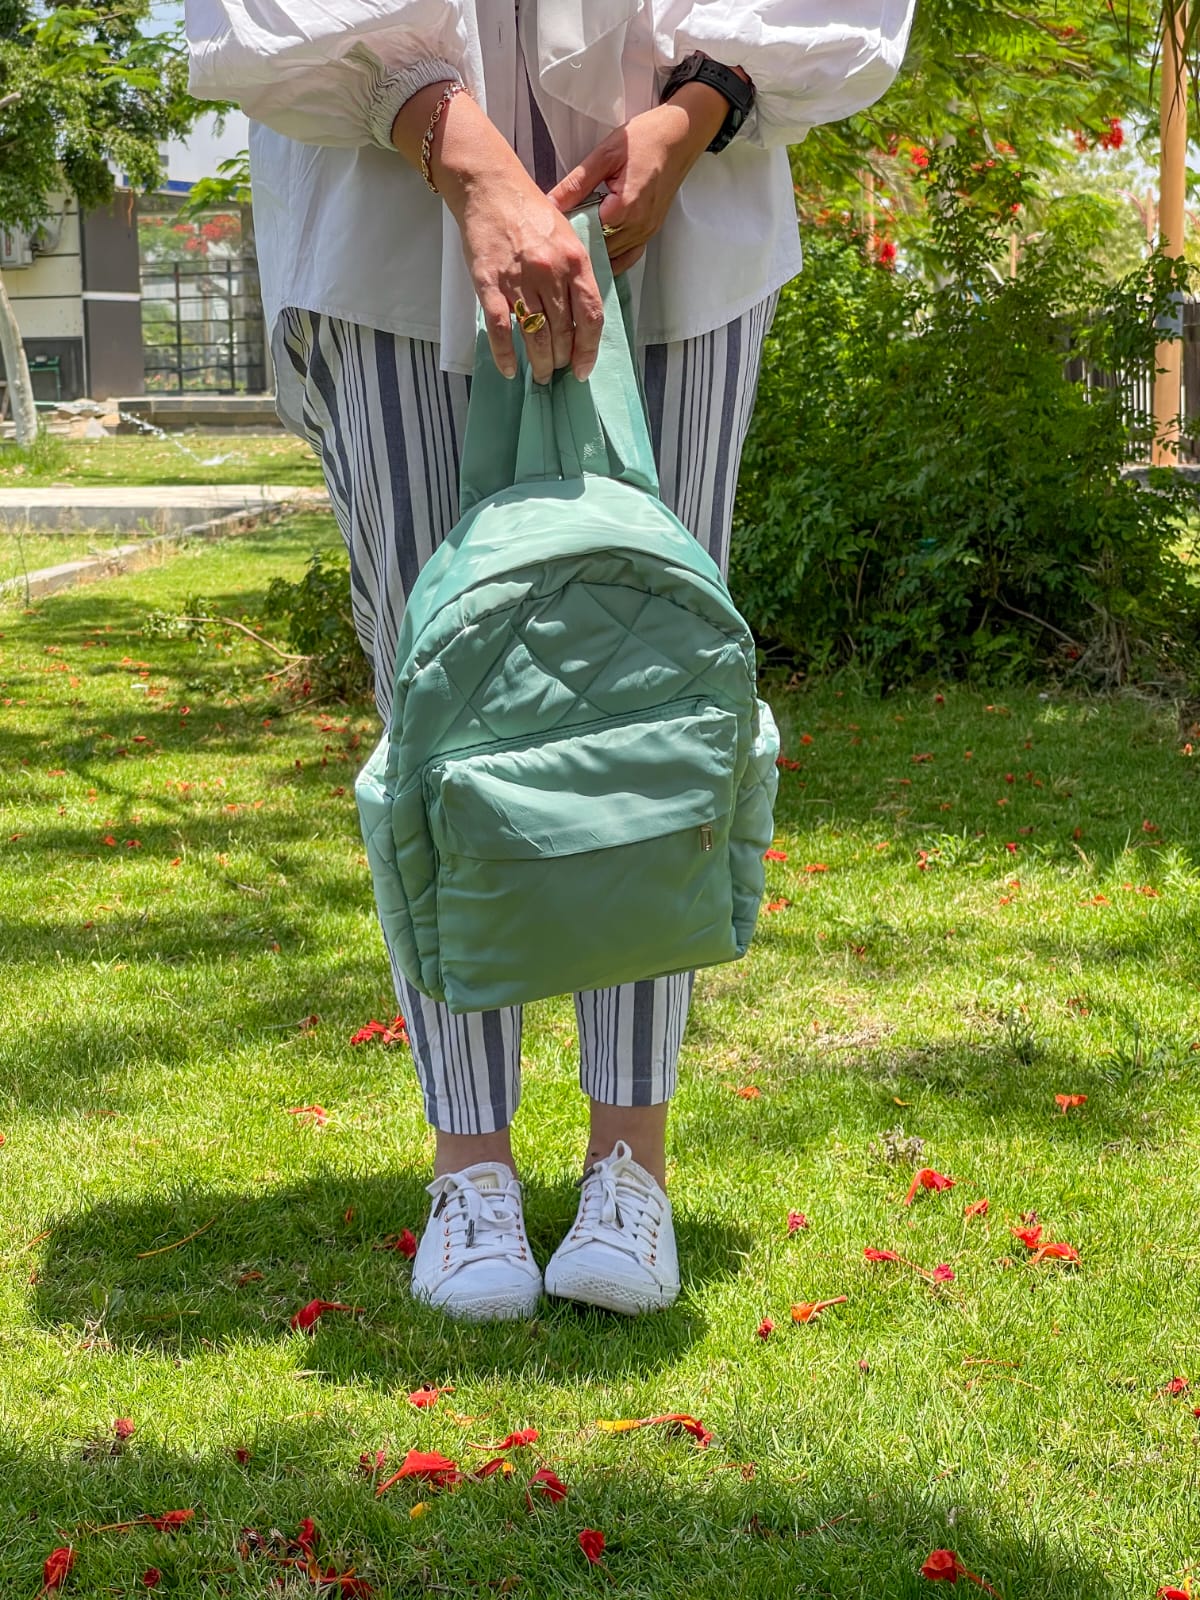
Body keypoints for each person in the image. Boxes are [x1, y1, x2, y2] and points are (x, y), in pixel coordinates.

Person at [185, 0, 915, 1323]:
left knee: (653, 683)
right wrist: (456, 146)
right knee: (437, 697)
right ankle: (472, 1168)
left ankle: (629, 1164)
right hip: (386, 203)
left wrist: (696, 112)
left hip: (685, 193)